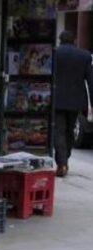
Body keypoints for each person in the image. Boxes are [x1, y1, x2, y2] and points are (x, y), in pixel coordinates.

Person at [54, 30, 93, 177]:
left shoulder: (55, 53)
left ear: (60, 40)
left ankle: (62, 162)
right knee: (70, 132)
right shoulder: (84, 56)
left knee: (58, 131)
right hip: (76, 100)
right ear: (74, 41)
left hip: (57, 99)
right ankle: (65, 160)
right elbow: (91, 81)